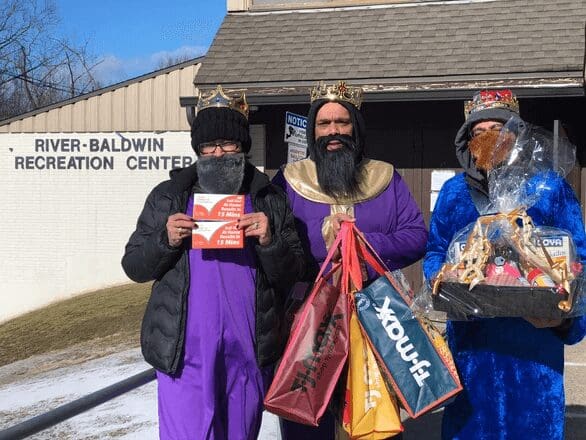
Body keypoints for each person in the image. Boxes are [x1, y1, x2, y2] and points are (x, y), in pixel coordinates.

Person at [121, 85, 308, 440]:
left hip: (247, 352)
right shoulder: (169, 196)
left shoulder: (268, 198)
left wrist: (269, 241)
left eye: (229, 144)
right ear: (198, 150)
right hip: (185, 354)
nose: (219, 153)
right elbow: (134, 265)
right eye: (209, 145)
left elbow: (293, 272)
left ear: (243, 147)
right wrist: (166, 239)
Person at [423, 89, 586, 440]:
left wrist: (563, 318)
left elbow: (580, 260)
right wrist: (440, 276)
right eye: (477, 132)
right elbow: (436, 248)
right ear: (466, 142)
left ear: (517, 134)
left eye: (497, 127)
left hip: (532, 357)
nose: (487, 137)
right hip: (471, 356)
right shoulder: (454, 193)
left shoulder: (549, 188)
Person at [273, 80, 428, 439]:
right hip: (309, 321)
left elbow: (416, 236)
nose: (333, 132)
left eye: (342, 122)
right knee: (309, 419)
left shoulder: (384, 178)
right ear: (313, 131)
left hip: (376, 318)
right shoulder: (289, 182)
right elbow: (277, 249)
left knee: (375, 422)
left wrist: (360, 241)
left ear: (355, 127)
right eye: (324, 124)